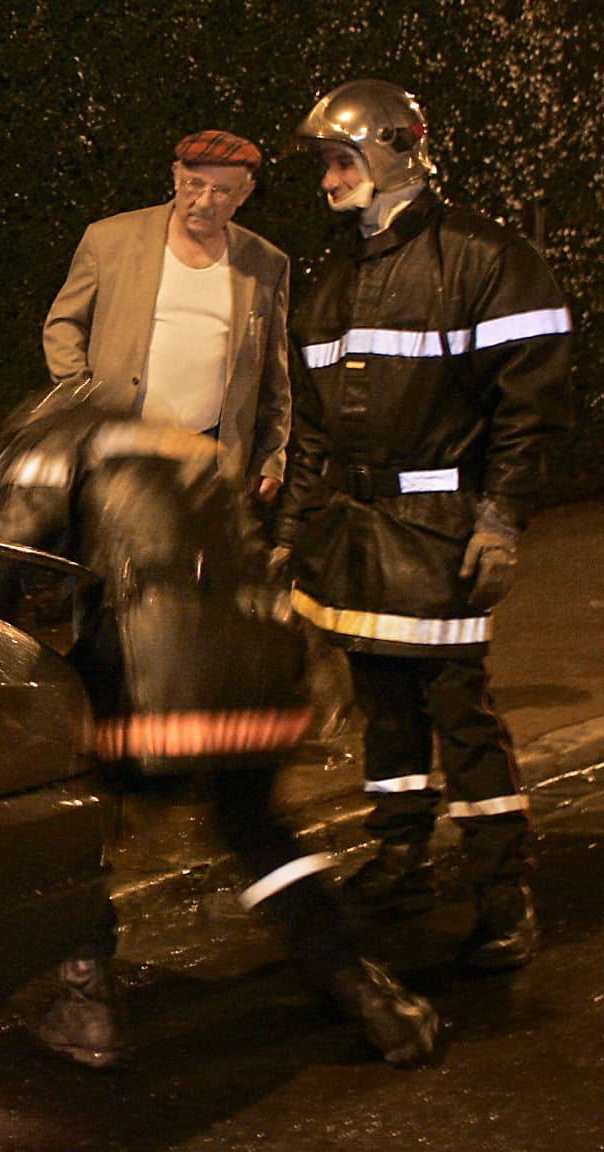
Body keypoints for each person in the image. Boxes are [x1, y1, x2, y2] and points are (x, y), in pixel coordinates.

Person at [0, 382, 439, 1070]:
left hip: (155, 681)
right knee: (259, 834)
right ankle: (365, 992)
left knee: (72, 820)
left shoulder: (48, 447)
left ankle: (88, 1008)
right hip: (260, 676)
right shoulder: (180, 448)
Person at [276, 79, 573, 970]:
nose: (327, 180)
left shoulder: (485, 257)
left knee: (459, 711)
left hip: (442, 524)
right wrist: (290, 529)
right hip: (355, 527)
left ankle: (501, 886)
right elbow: (314, 429)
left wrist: (501, 519)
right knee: (385, 705)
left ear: (391, 154)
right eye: (328, 163)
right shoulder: (335, 280)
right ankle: (401, 854)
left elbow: (533, 403)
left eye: (338, 160)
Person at [41, 129, 292, 506]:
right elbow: (64, 324)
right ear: (176, 175)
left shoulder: (265, 264)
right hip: (117, 445)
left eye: (222, 191)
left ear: (245, 194)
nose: (204, 201)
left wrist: (271, 455)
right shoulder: (111, 240)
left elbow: (275, 372)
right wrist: (81, 395)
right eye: (194, 184)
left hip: (208, 457)